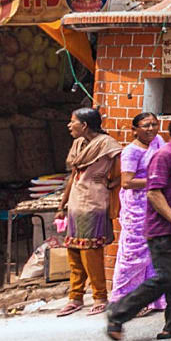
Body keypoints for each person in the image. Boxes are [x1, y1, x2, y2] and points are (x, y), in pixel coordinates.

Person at [105, 113, 171, 341]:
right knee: (166, 277)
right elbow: (154, 192)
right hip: (166, 229)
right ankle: (118, 313)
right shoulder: (164, 156)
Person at [56, 107, 122, 316]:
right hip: (76, 200)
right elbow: (73, 175)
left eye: (72, 121)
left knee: (90, 251)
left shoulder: (107, 145)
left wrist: (109, 184)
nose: (69, 125)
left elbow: (122, 173)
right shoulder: (78, 144)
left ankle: (100, 296)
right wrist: (62, 204)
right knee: (73, 250)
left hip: (94, 201)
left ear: (84, 125)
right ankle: (75, 297)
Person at [110, 113, 166, 315]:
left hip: (155, 204)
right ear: (134, 130)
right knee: (133, 254)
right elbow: (127, 182)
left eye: (154, 124)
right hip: (137, 208)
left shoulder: (158, 142)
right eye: (145, 126)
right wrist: (157, 180)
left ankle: (154, 300)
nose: (151, 129)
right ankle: (124, 301)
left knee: (153, 253)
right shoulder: (131, 152)